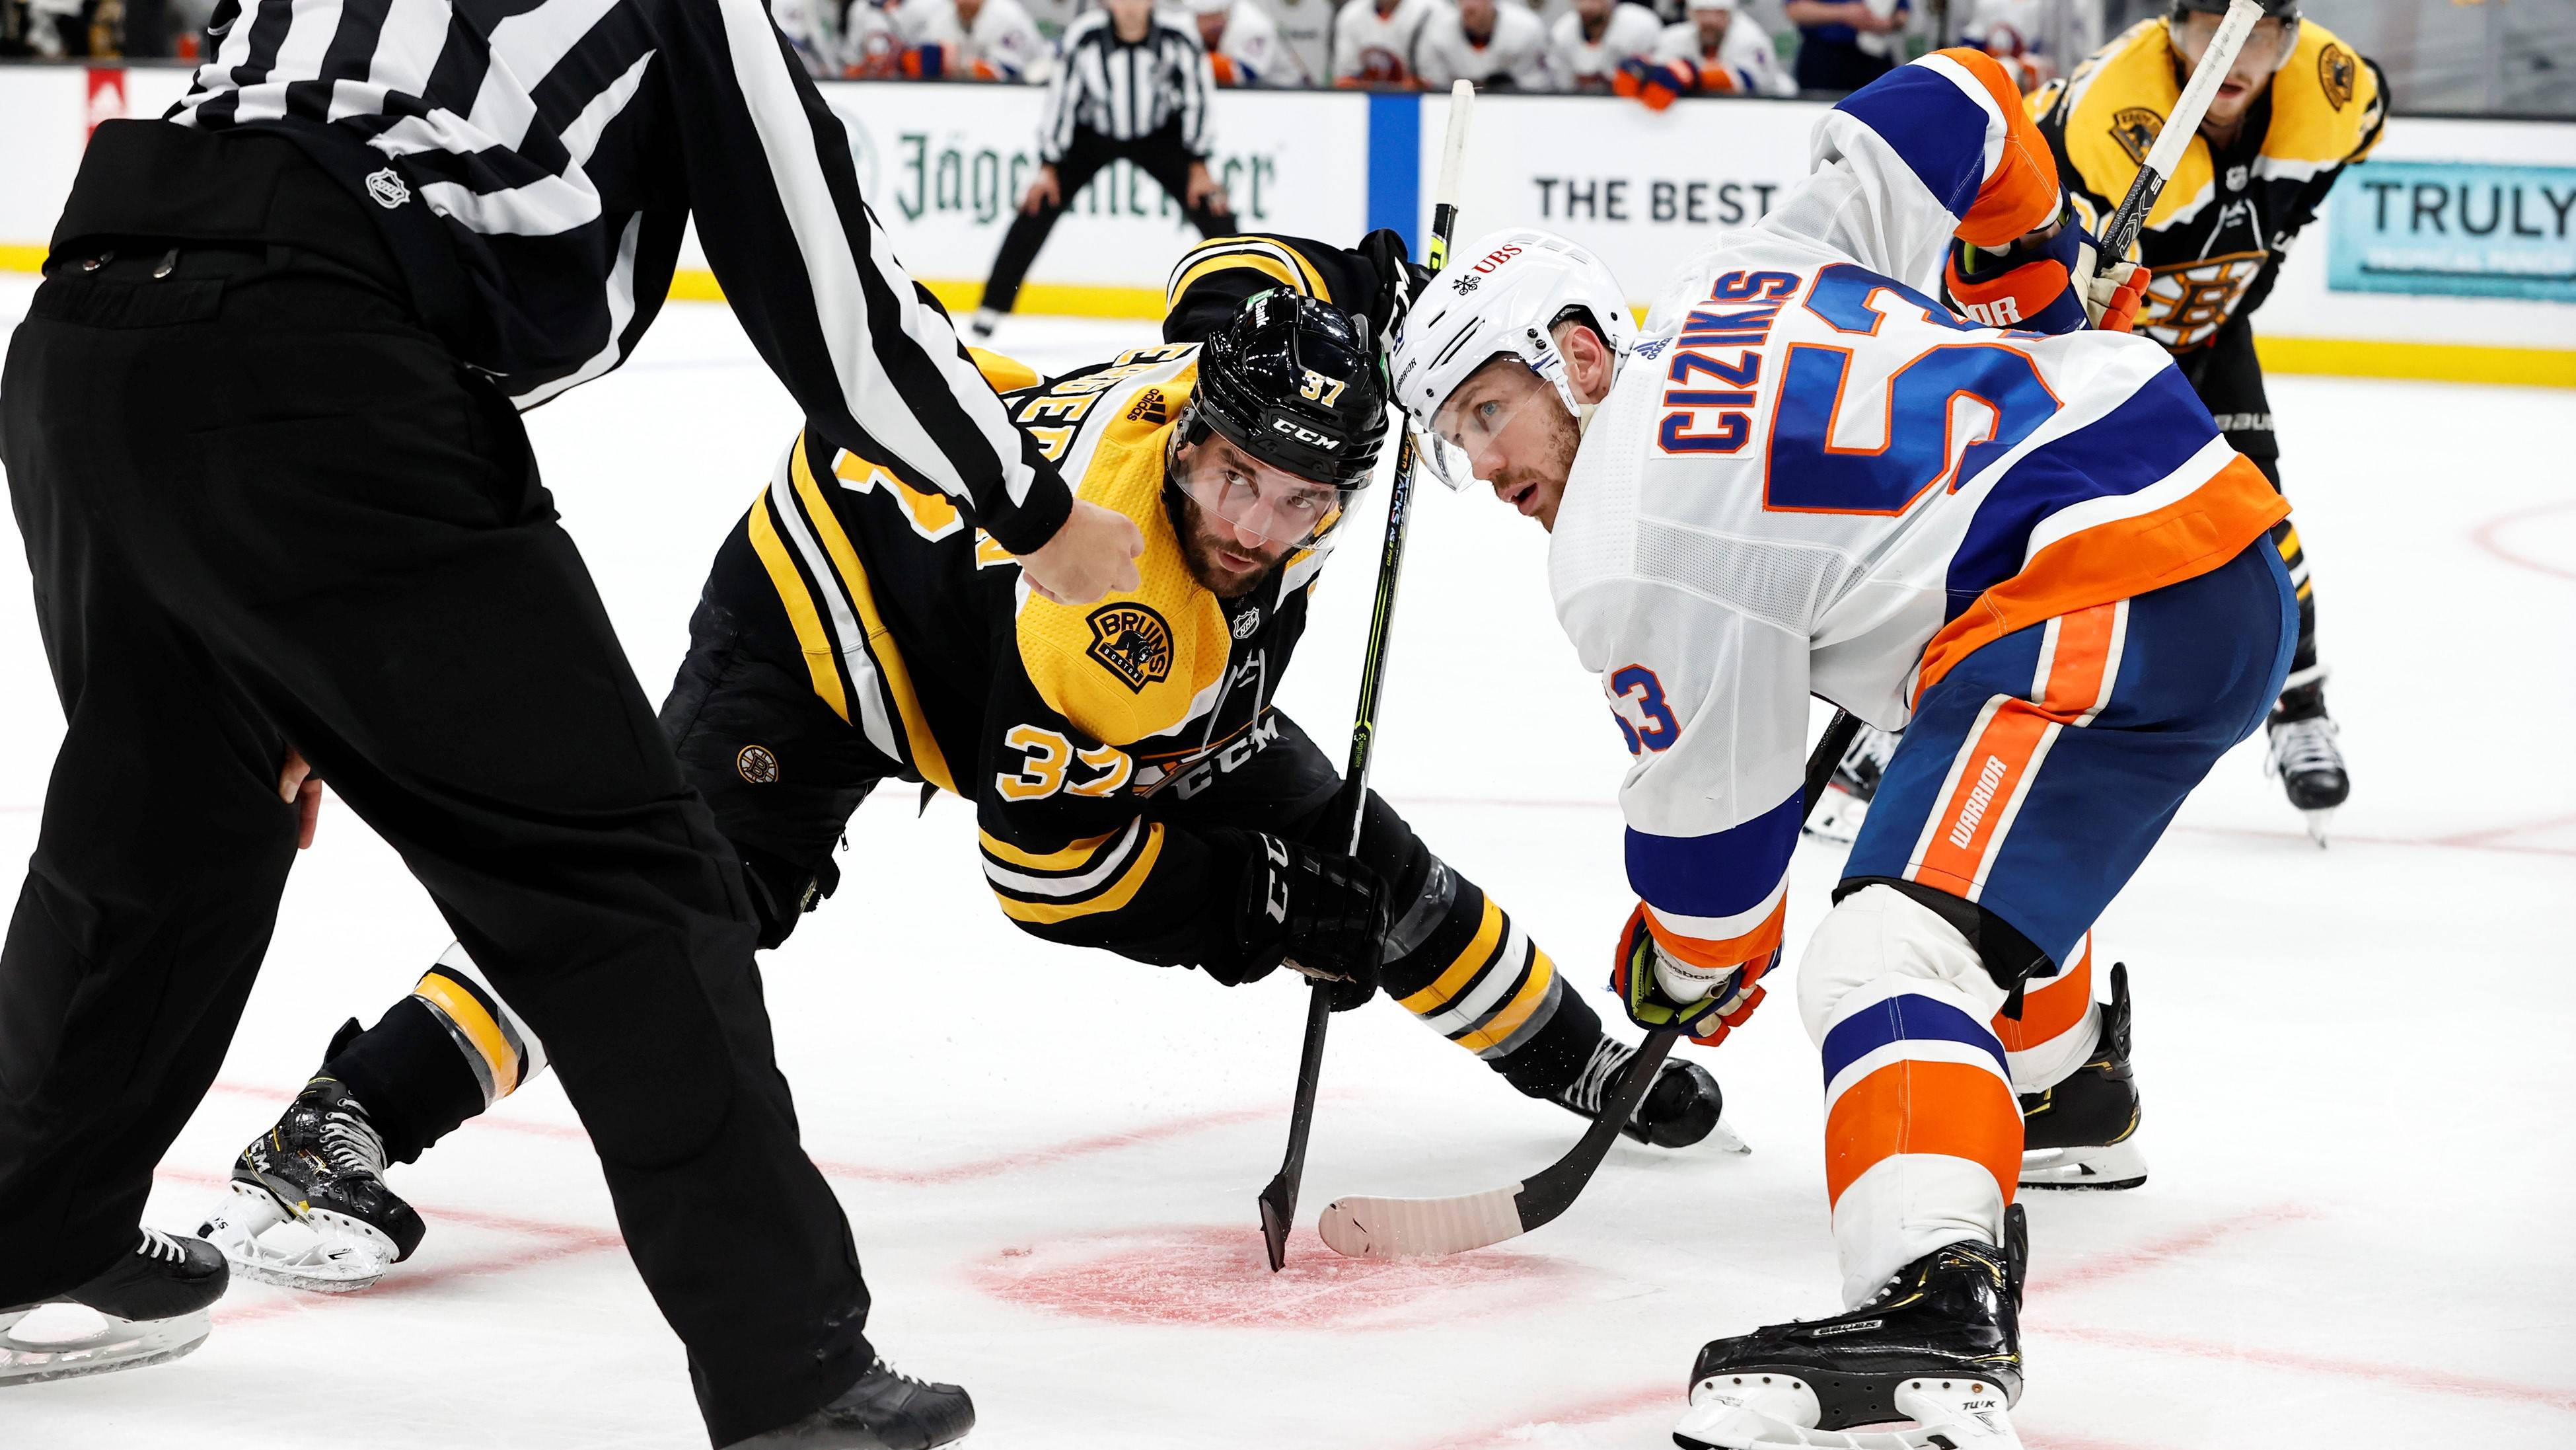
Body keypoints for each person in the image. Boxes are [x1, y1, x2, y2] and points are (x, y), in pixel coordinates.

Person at [0, 0, 1146, 1437]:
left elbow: (261, 126)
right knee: (627, 882)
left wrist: (272, 628)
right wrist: (1033, 512)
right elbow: (832, 296)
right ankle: (791, 1374)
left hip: (91, 343)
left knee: (158, 837)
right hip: (317, 365)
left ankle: (31, 1233)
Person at [198, 237, 1736, 1299]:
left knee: (1360, 847)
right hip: (832, 619)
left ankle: (1577, 1060)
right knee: (665, 909)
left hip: (1008, 620)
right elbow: (1047, 870)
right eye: (1236, 480)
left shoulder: (1243, 403)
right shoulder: (1121, 624)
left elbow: (1230, 278)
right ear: (1190, 440)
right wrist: (1260, 913)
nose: (1259, 526)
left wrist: (1352, 287)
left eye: (1301, 501)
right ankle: (337, 1121)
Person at [1389, 48, 2292, 1448]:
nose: (1487, 468)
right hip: (2197, 544)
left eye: (1487, 411)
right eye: (1456, 440)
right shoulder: (1744, 272)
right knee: (1945, 834)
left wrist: (1677, 968)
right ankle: (2058, 1085)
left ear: (1575, 353)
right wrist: (2029, 290)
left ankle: (1929, 1298)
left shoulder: (1620, 539)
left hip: (2088, 587)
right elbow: (1958, 98)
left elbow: (1715, 878)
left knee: (1878, 952)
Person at [2028, 0, 2382, 841]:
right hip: (2086, 346)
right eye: (2210, 29)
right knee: (2028, 537)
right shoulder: (2113, 113)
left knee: (2260, 519)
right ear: (2173, 26)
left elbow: (2355, 132)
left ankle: (2299, 710)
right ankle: (1906, 720)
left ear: (2287, 37)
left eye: (2259, 33)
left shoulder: (2330, 85)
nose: (2233, 53)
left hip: (2206, 332)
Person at [969, 0, 1232, 340]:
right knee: (1037, 204)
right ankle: (992, 306)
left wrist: (1199, 163)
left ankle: (1245, 299)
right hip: (1095, 133)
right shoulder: (1086, 36)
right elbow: (1061, 100)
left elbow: (1198, 97)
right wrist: (1049, 165)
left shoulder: (1178, 36)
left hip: (1160, 135)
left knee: (1213, 208)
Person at [1615, 0, 1796, 108]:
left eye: (1718, 13)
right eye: (1702, 12)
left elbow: (1748, 80)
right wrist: (1641, 72)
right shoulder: (1676, 37)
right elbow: (1657, 69)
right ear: (1690, 13)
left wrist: (1693, 75)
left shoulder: (1750, 37)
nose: (1710, 20)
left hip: (1768, 112)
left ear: (1731, 14)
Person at [893, 0, 1054, 81]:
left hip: (1032, 80)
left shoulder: (1007, 16)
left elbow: (1009, 72)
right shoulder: (941, 17)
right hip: (970, 91)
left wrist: (965, 66)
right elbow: (925, 61)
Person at [1415, 0, 1553, 91]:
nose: (1469, 5)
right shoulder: (1439, 34)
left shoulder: (1526, 29)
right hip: (1460, 108)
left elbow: (1538, 85)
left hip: (1516, 111)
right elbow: (1436, 88)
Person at [1781, 0, 1908, 93]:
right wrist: (1845, 13)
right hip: (1824, 57)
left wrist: (1889, 23)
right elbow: (1795, 10)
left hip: (1875, 55)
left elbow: (1902, 12)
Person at [1548, 0, 1662, 93]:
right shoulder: (1563, 32)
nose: (1589, 5)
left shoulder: (1640, 25)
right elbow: (1563, 88)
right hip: (1582, 108)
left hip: (1633, 109)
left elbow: (1659, 81)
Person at [1331, 0, 1447, 87]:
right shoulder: (1351, 14)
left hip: (1424, 99)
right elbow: (1344, 79)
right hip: (1369, 97)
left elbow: (1438, 81)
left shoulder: (1435, 11)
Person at [1191, 0, 1293, 86]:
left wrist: (1190, 60)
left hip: (1284, 91)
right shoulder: (1192, 17)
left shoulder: (1252, 24)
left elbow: (1245, 72)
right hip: (1245, 93)